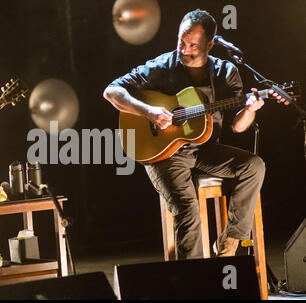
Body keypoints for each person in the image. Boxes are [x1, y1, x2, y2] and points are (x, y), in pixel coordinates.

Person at [103, 9, 288, 260]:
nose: (185, 49)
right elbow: (112, 91)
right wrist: (148, 112)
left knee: (254, 166)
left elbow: (238, 126)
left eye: (193, 45)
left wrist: (250, 108)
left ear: (210, 45)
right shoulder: (160, 67)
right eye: (181, 41)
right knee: (188, 211)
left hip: (205, 148)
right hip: (164, 154)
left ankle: (229, 245)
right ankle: (194, 281)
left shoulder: (225, 72)